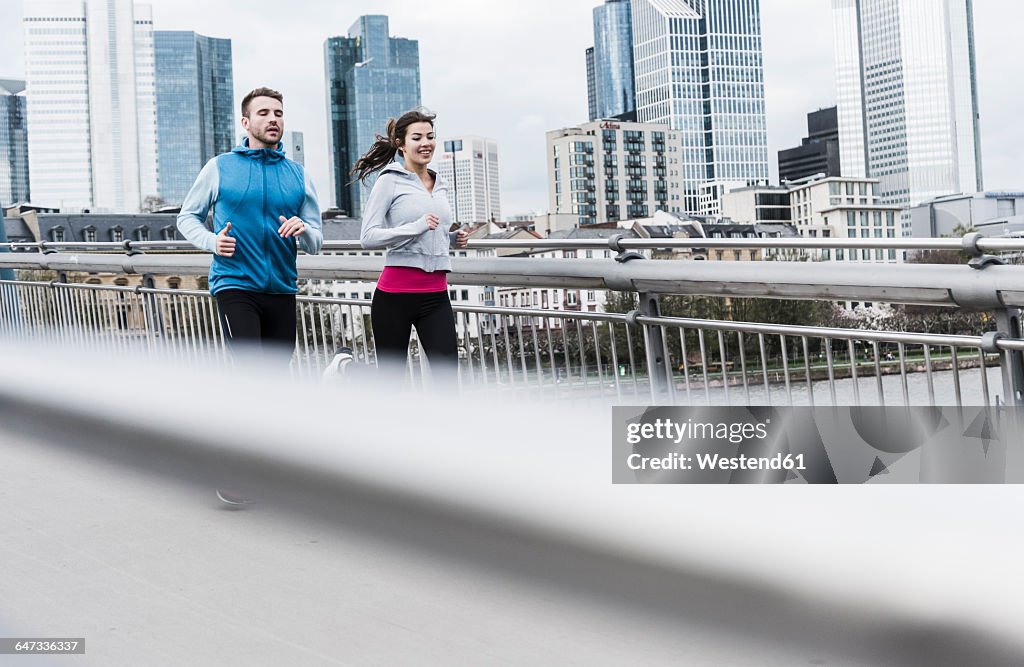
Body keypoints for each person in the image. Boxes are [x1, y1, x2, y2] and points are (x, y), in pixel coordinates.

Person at [177, 86, 323, 366]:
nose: (273, 120)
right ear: (245, 123)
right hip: (235, 284)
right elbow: (186, 217)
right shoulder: (220, 167)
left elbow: (316, 243)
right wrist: (212, 241)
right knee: (251, 369)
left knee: (276, 374)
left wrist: (303, 228)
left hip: (282, 289)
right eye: (264, 113)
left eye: (278, 114)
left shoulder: (299, 175)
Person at [352, 108, 468, 385]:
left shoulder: (441, 183)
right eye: (417, 137)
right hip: (394, 297)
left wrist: (453, 239)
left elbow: (433, 231)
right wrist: (415, 226)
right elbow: (368, 237)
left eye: (430, 136)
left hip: (436, 296)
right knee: (391, 384)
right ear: (401, 144)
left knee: (448, 381)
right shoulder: (389, 181)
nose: (425, 143)